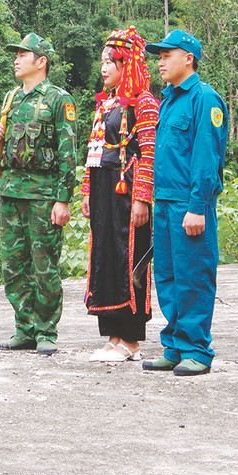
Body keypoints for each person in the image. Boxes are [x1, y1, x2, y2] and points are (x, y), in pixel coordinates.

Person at [141, 29, 228, 376]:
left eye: (167, 55)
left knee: (193, 276)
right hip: (164, 202)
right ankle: (175, 346)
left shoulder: (204, 98)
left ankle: (197, 350)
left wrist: (197, 205)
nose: (160, 62)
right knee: (168, 277)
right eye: (159, 56)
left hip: (189, 204)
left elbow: (206, 157)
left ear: (188, 58)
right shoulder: (168, 99)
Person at [0, 33, 79, 356]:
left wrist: (63, 199)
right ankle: (24, 328)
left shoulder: (59, 99)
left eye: (22, 54)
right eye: (15, 55)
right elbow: (8, 148)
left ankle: (46, 331)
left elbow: (68, 153)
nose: (16, 60)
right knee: (13, 266)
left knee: (44, 266)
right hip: (11, 192)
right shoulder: (11, 98)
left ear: (41, 62)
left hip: (43, 194)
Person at [81, 27, 158, 363]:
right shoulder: (105, 103)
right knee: (105, 259)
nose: (103, 68)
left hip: (127, 192)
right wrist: (87, 190)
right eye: (102, 62)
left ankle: (131, 339)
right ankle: (113, 337)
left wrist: (142, 198)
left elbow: (149, 153)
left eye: (109, 62)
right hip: (103, 191)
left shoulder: (145, 103)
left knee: (129, 259)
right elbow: (94, 151)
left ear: (127, 64)